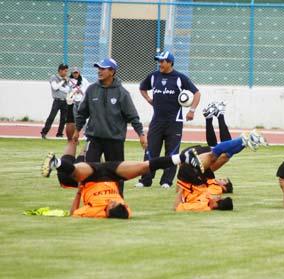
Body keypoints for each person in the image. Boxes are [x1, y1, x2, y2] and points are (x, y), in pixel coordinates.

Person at [41, 140, 203, 219]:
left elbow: (73, 213)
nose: (112, 201)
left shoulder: (95, 212)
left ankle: (57, 162)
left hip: (91, 178)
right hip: (112, 175)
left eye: (112, 204)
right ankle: (183, 157)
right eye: (117, 202)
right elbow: (124, 212)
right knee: (143, 166)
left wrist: (78, 192)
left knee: (75, 171)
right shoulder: (124, 211)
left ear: (107, 211)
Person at [73, 58, 147, 195]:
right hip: (94, 138)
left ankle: (118, 198)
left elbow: (132, 116)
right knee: (88, 169)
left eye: (103, 68)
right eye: (98, 68)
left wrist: (141, 135)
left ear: (112, 71)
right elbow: (82, 113)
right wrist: (77, 131)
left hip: (115, 140)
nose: (99, 71)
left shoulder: (122, 93)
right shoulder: (91, 89)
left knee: (117, 172)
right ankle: (89, 198)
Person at [135, 51, 201, 189]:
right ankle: (145, 180)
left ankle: (166, 181)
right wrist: (148, 99)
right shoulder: (153, 76)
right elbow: (142, 88)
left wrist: (192, 110)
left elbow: (196, 93)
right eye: (159, 61)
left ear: (170, 62)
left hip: (174, 122)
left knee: (172, 153)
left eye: (162, 61)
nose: (160, 64)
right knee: (151, 151)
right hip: (157, 121)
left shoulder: (180, 78)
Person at [174, 131, 266, 212]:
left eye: (219, 199)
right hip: (197, 180)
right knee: (219, 157)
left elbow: (177, 207)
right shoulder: (209, 197)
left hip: (192, 181)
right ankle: (242, 142)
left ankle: (242, 141)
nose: (218, 197)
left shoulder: (206, 202)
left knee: (215, 156)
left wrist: (182, 186)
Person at [40, 63, 71, 139]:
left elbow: (67, 90)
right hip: (57, 101)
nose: (66, 73)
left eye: (67, 71)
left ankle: (59, 134)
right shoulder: (54, 77)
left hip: (65, 101)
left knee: (63, 119)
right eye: (65, 71)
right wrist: (62, 82)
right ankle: (44, 132)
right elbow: (55, 87)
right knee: (52, 117)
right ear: (60, 70)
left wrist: (61, 85)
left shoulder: (66, 79)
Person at [65, 67, 90, 141]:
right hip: (74, 102)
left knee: (83, 118)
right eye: (74, 73)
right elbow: (68, 90)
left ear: (79, 73)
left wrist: (79, 90)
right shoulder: (70, 81)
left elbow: (87, 89)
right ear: (72, 73)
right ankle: (77, 134)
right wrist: (72, 92)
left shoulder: (84, 80)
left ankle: (86, 134)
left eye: (76, 72)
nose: (75, 74)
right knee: (76, 119)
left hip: (82, 101)